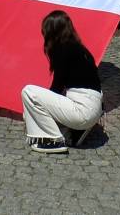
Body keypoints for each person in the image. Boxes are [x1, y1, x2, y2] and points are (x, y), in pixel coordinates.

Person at [21, 11, 103, 154]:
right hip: (93, 107)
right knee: (31, 109)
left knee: (28, 92)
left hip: (83, 110)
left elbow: (57, 88)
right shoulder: (80, 49)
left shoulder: (62, 50)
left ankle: (52, 140)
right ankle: (67, 132)